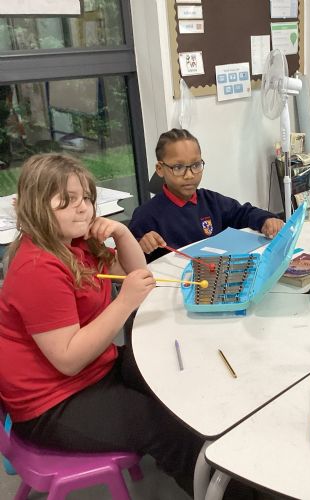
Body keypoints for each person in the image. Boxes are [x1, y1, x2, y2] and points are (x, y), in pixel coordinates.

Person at [0, 153, 203, 494]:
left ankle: (201, 462)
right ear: (37, 207)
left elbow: (137, 274)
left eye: (86, 198)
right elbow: (68, 360)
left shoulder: (76, 243)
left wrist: (122, 234)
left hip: (94, 369)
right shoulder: (37, 268)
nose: (83, 208)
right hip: (52, 402)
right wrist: (124, 302)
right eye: (67, 201)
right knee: (166, 428)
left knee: (170, 376)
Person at [128, 128, 284, 262]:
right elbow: (127, 258)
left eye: (196, 165)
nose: (189, 175)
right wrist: (141, 245)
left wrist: (266, 220)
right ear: (160, 169)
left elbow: (243, 213)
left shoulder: (212, 202)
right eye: (178, 167)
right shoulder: (146, 215)